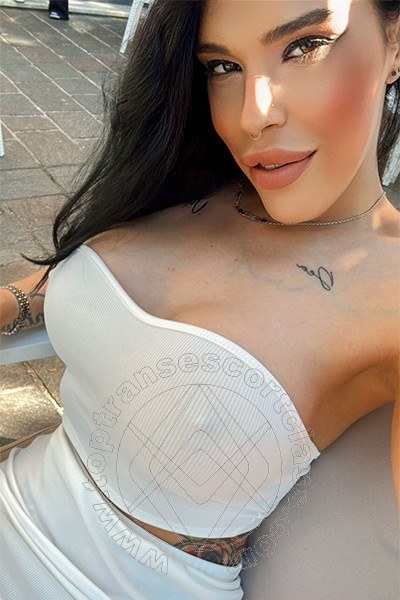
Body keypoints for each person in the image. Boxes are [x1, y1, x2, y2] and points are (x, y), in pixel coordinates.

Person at [0, 0, 399, 598]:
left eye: (304, 46)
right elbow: (49, 290)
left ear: (394, 41)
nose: (253, 116)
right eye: (222, 67)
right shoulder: (198, 182)